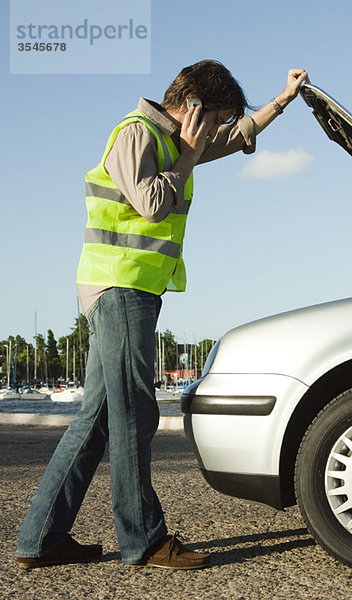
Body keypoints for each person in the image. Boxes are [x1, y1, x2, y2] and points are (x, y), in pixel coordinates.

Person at [15, 60, 309, 570]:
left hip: (133, 288)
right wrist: (191, 154)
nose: (215, 131)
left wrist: (281, 100)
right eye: (214, 117)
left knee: (98, 419)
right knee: (134, 415)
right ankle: (144, 541)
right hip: (119, 286)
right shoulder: (139, 134)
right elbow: (151, 202)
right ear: (192, 107)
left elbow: (237, 136)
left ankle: (41, 538)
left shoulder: (178, 141)